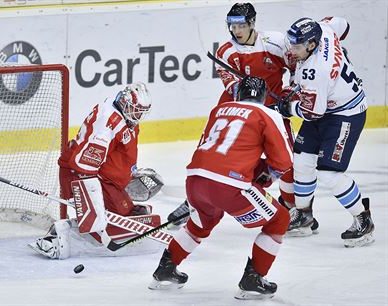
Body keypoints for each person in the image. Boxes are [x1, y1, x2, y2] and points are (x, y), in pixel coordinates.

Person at [149, 76, 292, 300]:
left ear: (238, 94)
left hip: (195, 179)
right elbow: (283, 160)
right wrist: (266, 174)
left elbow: (218, 148)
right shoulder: (268, 114)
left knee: (200, 224)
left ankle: (166, 268)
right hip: (229, 185)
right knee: (279, 219)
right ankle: (253, 278)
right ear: (263, 97)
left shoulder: (220, 109)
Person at [167, 3, 302, 229]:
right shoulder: (226, 52)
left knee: (288, 161)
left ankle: (293, 209)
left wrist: (287, 94)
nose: (236, 30)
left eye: (241, 25)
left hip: (273, 111)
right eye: (232, 25)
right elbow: (235, 88)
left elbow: (297, 68)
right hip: (234, 110)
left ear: (252, 23)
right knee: (209, 154)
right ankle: (193, 202)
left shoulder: (276, 43)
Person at [30, 82, 165, 259]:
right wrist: (93, 205)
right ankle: (57, 236)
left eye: (141, 111)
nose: (138, 115)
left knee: (131, 216)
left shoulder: (124, 114)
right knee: (117, 222)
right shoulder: (107, 124)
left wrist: (126, 175)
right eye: (135, 110)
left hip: (102, 177)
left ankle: (107, 218)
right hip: (81, 174)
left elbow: (117, 153)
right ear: (125, 103)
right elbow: (85, 166)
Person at [276, 17, 374, 247]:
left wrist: (287, 107)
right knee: (301, 161)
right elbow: (345, 24)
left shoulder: (317, 70)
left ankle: (363, 220)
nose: (292, 50)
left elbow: (312, 113)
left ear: (311, 45)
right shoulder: (325, 29)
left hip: (345, 114)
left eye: (297, 46)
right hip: (327, 105)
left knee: (329, 174)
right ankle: (303, 215)